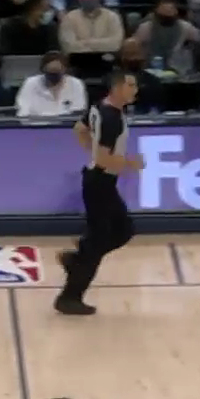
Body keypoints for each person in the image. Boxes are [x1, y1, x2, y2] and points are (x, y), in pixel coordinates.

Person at [54, 69, 143, 317]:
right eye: (131, 85)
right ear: (117, 87)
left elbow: (79, 129)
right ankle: (69, 297)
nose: (135, 90)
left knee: (121, 231)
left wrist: (93, 152)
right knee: (103, 239)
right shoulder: (111, 118)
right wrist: (131, 163)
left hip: (100, 182)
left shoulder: (99, 107)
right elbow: (104, 160)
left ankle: (77, 259)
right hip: (100, 183)